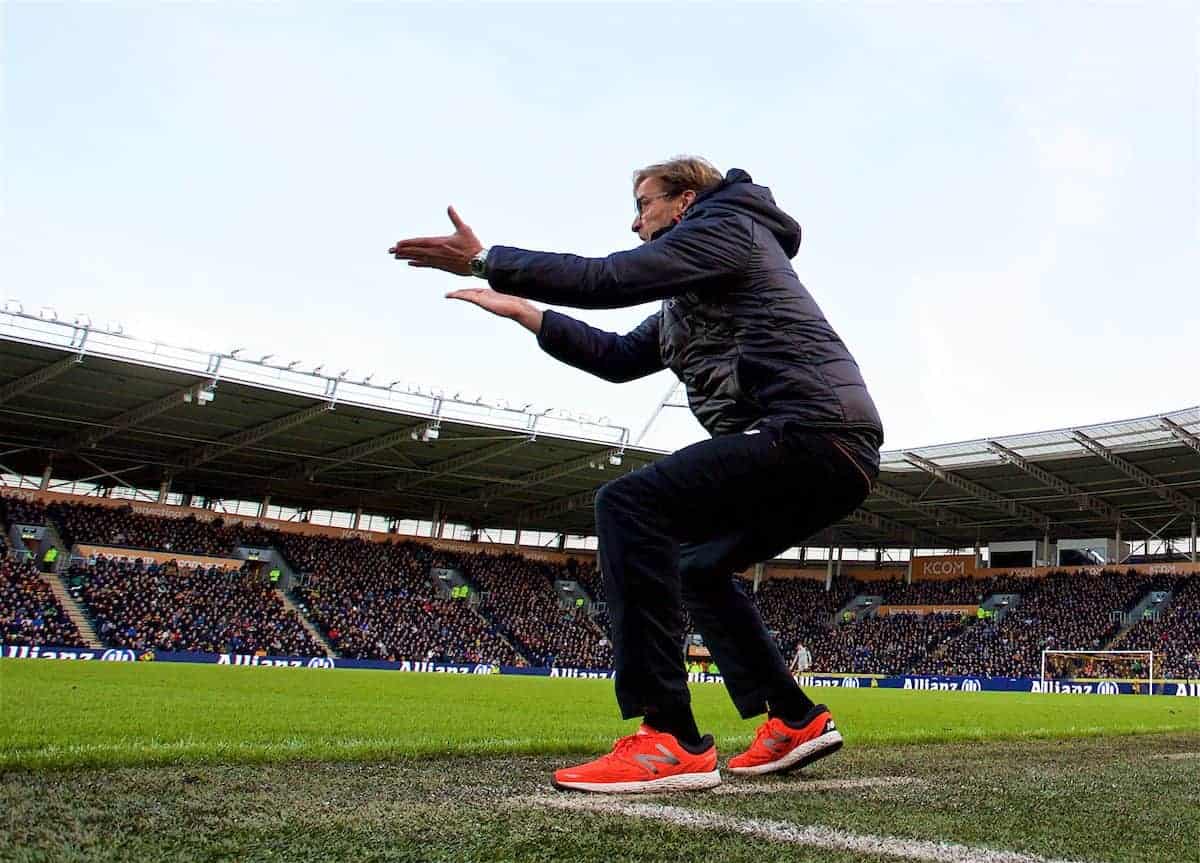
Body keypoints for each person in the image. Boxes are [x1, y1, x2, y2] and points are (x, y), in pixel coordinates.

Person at [390, 156, 882, 793]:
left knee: (628, 506)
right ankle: (793, 719)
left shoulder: (728, 227)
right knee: (697, 568)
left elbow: (610, 279)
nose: (635, 221)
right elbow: (619, 357)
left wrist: (487, 260)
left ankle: (669, 737)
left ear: (683, 201)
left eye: (644, 204)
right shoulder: (692, 294)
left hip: (810, 430)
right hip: (827, 449)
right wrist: (524, 312)